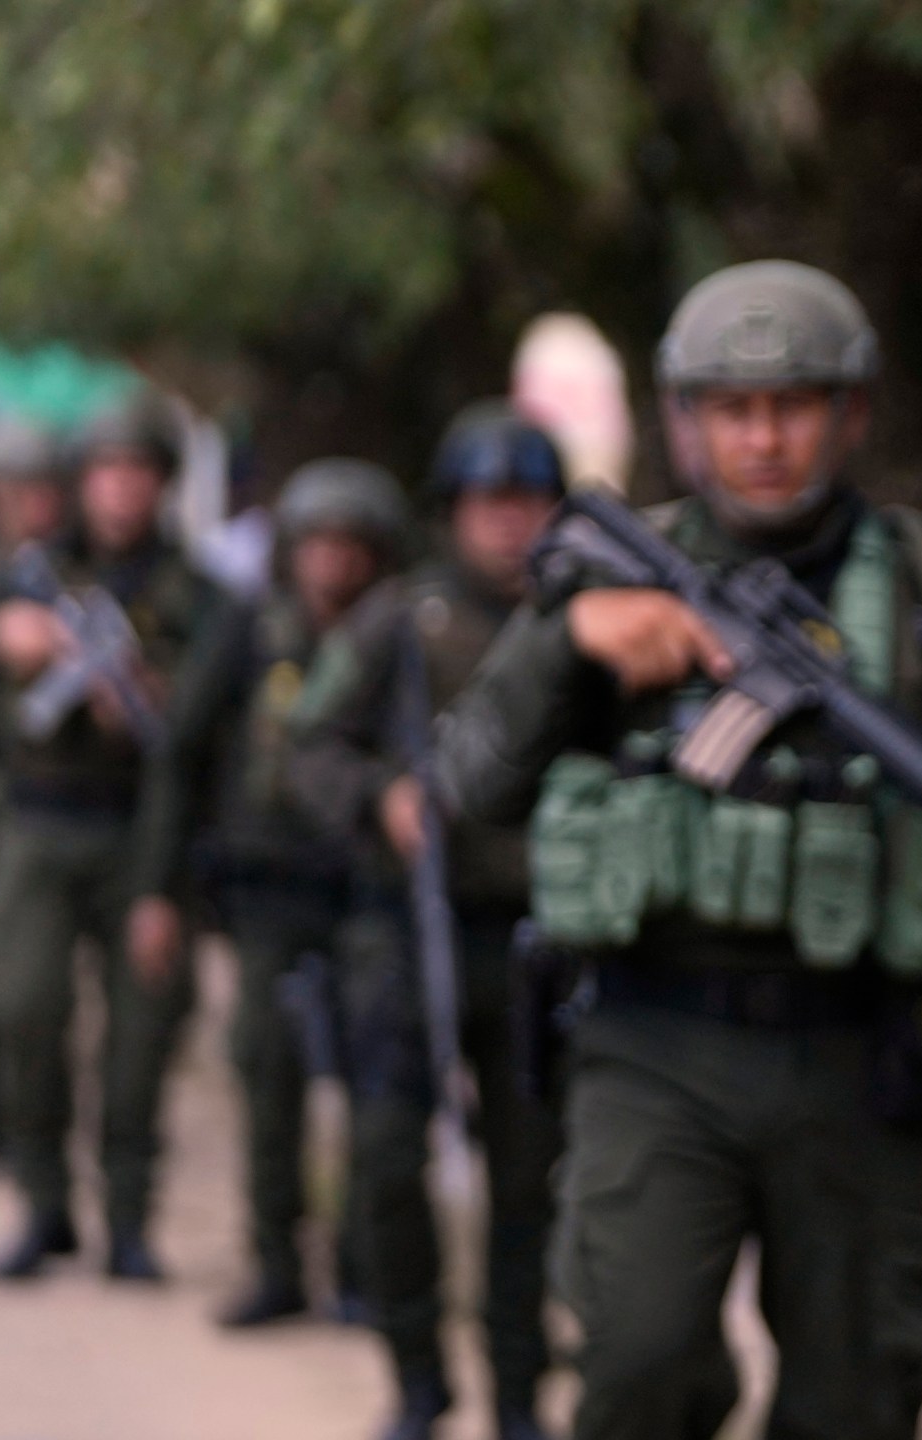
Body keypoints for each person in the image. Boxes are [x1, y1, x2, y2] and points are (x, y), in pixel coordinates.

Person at [431, 260, 922, 1440]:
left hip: (865, 1049)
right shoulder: (601, 572)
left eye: (794, 405)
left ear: (851, 414)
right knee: (636, 1364)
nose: (763, 438)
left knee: (856, 1395)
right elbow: (468, 786)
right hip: (654, 1041)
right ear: (680, 421)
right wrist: (573, 645)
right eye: (731, 410)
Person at [288, 404, 567, 1440]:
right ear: (452, 513)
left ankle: (519, 1396)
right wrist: (380, 799)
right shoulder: (398, 619)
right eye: (488, 504)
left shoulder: (574, 618)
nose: (507, 525)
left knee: (526, 1186)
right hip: (412, 937)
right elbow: (308, 744)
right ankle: (415, 1378)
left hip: (542, 943)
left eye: (525, 501)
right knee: (388, 1165)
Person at [0, 392, 239, 1283]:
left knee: (142, 1037)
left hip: (142, 831)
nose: (119, 490)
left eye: (137, 471)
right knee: (24, 1011)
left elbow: (203, 737)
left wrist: (148, 697)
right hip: (35, 823)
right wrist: (3, 644)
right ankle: (42, 1206)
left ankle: (131, 1219)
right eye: (104, 470)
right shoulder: (28, 576)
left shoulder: (201, 597)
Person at [201, 459, 410, 1328]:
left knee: (373, 1087)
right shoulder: (252, 632)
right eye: (316, 544)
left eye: (349, 546)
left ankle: (364, 1267)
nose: (331, 563)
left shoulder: (399, 641)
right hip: (267, 893)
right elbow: (190, 752)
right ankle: (277, 1262)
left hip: (365, 891)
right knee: (269, 1079)